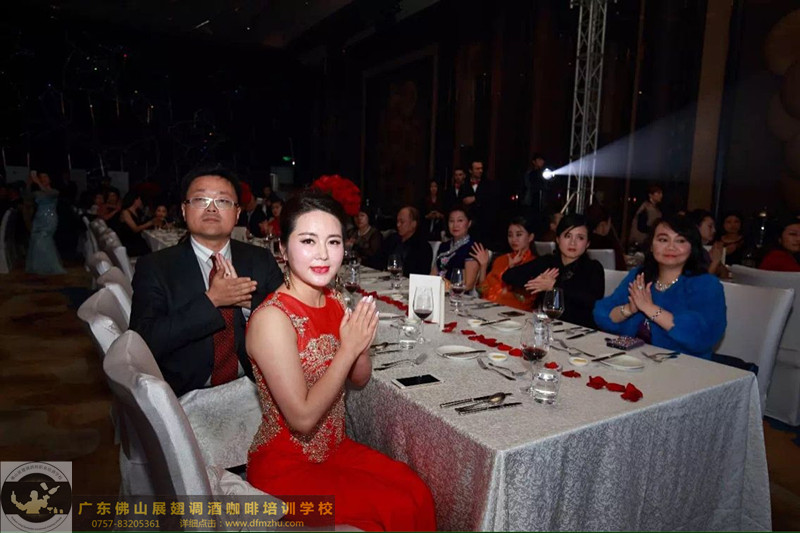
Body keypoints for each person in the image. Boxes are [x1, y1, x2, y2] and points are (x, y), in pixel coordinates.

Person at [245, 191, 436, 531]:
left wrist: (359, 346)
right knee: (396, 508)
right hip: (285, 467)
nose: (323, 254)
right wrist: (348, 350)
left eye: (333, 242)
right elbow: (303, 419)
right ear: (283, 249)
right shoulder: (272, 319)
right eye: (308, 240)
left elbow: (359, 379)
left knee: (417, 491)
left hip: (335, 448)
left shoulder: (334, 299)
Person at [129, 165, 283, 396]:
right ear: (184, 210)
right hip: (187, 393)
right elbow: (143, 343)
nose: (212, 208)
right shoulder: (155, 267)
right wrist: (211, 301)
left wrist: (246, 301)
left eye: (223, 201)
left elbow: (291, 318)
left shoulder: (261, 259)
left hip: (257, 386)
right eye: (201, 200)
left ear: (237, 213)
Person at [594, 214, 726, 359]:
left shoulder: (705, 284)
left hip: (683, 365)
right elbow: (602, 314)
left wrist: (650, 309)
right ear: (651, 246)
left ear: (692, 247)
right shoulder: (640, 276)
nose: (671, 247)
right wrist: (629, 309)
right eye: (663, 240)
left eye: (680, 241)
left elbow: (704, 336)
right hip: (632, 360)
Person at [503, 213, 604, 328]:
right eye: (567, 236)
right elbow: (508, 276)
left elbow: (592, 300)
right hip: (546, 326)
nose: (573, 243)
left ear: (587, 244)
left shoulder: (593, 268)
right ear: (558, 239)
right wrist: (538, 280)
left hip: (580, 328)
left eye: (580, 238)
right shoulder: (548, 262)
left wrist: (554, 286)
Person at [471, 216, 536, 310]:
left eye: (518, 235)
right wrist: (483, 265)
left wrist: (511, 269)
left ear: (530, 237)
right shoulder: (501, 260)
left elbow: (524, 299)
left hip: (513, 312)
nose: (514, 239)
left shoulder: (534, 263)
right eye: (510, 235)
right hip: (488, 307)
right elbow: (482, 290)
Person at [25, 172, 66, 275]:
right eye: (41, 177)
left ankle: (49, 266)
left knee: (44, 240)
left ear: (50, 179)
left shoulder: (54, 191)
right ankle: (40, 266)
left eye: (45, 177)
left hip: (49, 219)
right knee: (36, 241)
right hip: (38, 219)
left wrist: (38, 182)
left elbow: (49, 194)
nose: (43, 179)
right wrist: (29, 184)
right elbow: (27, 197)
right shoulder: (37, 193)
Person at [432, 206, 480, 290]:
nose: (455, 225)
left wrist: (447, 287)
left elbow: (468, 285)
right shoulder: (444, 246)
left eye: (460, 220)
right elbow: (432, 275)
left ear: (469, 223)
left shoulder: (472, 247)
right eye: (451, 221)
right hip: (438, 290)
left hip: (458, 294)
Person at [382, 206, 433, 276]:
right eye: (397, 221)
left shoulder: (423, 247)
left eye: (402, 222)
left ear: (413, 224)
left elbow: (421, 273)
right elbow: (379, 260)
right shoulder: (392, 239)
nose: (398, 225)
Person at [586, 204, 626, 270]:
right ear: (603, 225)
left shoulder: (582, 244)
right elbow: (621, 269)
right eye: (609, 223)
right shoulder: (611, 245)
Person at [690, 209, 728, 278]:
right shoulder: (689, 251)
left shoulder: (703, 251)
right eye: (710, 226)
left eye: (714, 227)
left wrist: (717, 260)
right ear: (696, 227)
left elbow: (724, 276)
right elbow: (701, 281)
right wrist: (715, 262)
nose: (714, 230)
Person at [118, 192, 155, 257]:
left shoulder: (137, 211)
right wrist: (150, 223)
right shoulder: (125, 212)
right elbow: (135, 229)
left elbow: (142, 222)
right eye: (139, 199)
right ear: (134, 200)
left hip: (136, 239)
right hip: (130, 242)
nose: (140, 201)